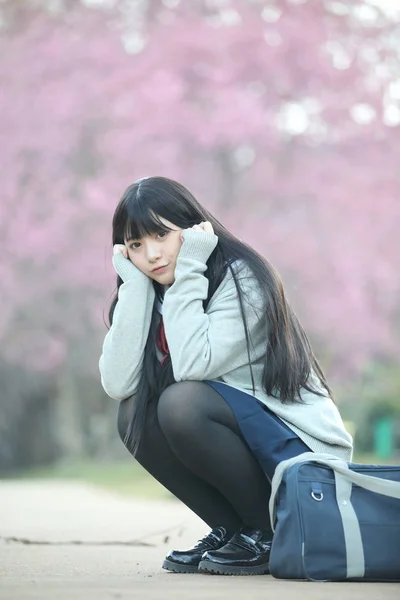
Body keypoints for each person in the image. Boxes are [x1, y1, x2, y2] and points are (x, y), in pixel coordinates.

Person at [99, 176, 353, 577]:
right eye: (135, 245)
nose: (151, 254)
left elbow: (193, 366)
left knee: (181, 403)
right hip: (246, 436)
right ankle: (238, 530)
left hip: (299, 449)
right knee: (134, 414)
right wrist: (133, 291)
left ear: (195, 228)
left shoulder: (241, 278)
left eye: (161, 235)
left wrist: (189, 270)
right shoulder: (151, 291)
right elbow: (118, 384)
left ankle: (268, 533)